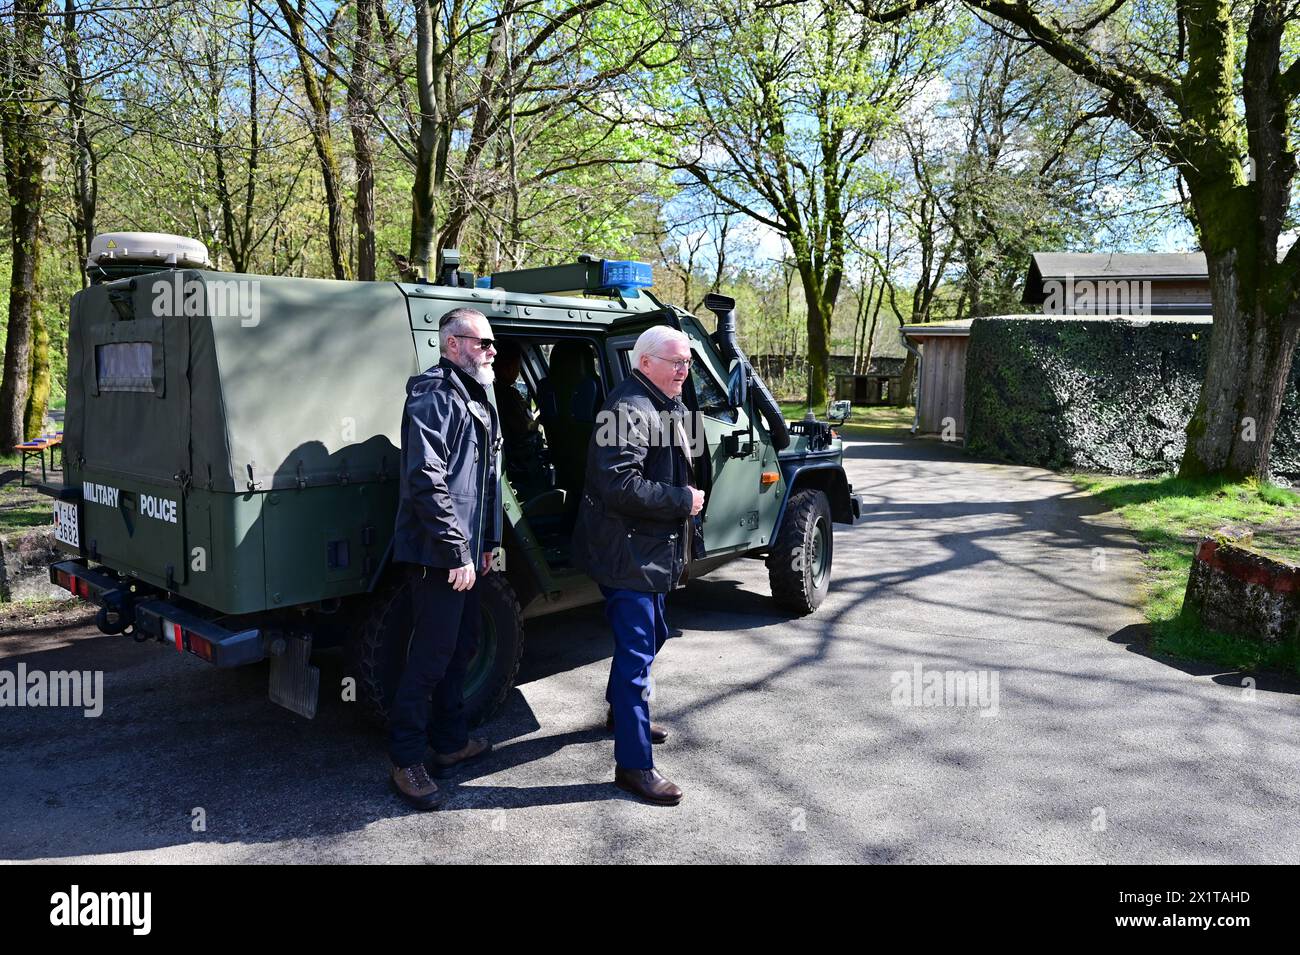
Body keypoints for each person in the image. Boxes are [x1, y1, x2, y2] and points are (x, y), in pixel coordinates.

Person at [572, 325, 705, 806]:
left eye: (688, 363)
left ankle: (618, 714)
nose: (683, 371)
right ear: (644, 362)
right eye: (676, 363)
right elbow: (618, 485)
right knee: (635, 660)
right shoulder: (628, 408)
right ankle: (634, 765)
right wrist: (681, 500)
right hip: (628, 553)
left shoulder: (667, 403)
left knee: (655, 636)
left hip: (653, 552)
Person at [389, 306, 502, 810]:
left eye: (490, 343)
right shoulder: (434, 392)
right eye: (483, 343)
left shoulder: (472, 391)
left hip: (468, 553)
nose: (491, 351)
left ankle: (451, 742)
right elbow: (426, 479)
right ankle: (407, 760)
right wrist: (457, 551)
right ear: (453, 344)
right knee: (430, 659)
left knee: (462, 647)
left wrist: (488, 546)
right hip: (440, 557)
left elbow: (481, 482)